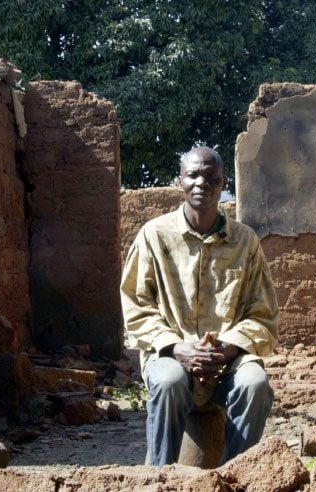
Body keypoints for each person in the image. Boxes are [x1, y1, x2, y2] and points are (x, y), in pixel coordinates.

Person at [120, 146, 279, 466]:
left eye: (211, 177)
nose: (201, 183)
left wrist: (228, 349)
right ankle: (160, 479)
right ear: (180, 182)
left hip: (226, 363)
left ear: (223, 185)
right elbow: (136, 305)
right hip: (171, 357)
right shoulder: (154, 236)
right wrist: (177, 348)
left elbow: (263, 315)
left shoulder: (245, 242)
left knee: (255, 383)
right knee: (168, 381)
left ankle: (239, 476)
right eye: (193, 175)